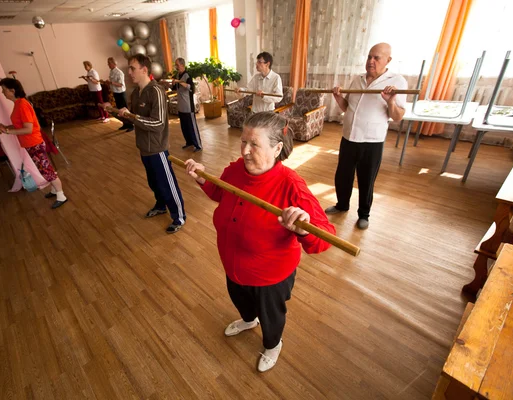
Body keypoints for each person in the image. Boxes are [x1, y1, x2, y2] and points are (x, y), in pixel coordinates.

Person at [184, 112, 335, 372]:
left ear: (277, 148)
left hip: (269, 278)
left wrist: (303, 227)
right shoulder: (234, 170)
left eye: (254, 144)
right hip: (233, 265)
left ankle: (273, 343)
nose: (245, 151)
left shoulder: (291, 186)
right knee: (241, 301)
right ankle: (248, 320)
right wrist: (202, 179)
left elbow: (324, 238)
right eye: (243, 141)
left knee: (271, 317)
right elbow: (221, 193)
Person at [325, 43, 407, 230]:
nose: (371, 61)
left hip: (371, 140)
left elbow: (397, 116)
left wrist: (391, 100)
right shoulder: (358, 79)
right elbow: (348, 108)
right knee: (343, 176)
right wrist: (338, 99)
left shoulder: (397, 82)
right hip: (349, 137)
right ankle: (342, 205)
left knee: (366, 179)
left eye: (376, 58)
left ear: (388, 60)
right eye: (369, 57)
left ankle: (364, 214)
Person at [114, 54, 186, 234]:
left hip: (157, 148)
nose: (129, 72)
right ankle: (161, 205)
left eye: (132, 68)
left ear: (144, 70)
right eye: (129, 68)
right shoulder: (136, 93)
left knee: (167, 183)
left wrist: (133, 116)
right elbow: (133, 121)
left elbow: (158, 123)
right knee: (154, 182)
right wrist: (120, 114)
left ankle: (179, 216)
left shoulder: (156, 91)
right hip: (143, 148)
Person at [0, 78, 68, 209]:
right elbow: (20, 125)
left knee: (46, 170)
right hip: (31, 144)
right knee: (44, 169)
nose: (2, 92)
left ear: (12, 90)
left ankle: (61, 195)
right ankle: (54, 190)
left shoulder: (22, 105)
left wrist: (7, 131)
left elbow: (28, 129)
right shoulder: (18, 104)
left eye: (4, 90)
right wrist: (7, 127)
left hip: (34, 143)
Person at [171, 57, 202, 152]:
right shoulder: (177, 75)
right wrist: (172, 83)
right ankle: (189, 142)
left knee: (192, 127)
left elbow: (190, 87)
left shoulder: (187, 75)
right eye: (175, 65)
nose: (176, 67)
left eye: (177, 65)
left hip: (188, 106)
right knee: (184, 127)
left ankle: (198, 145)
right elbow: (174, 89)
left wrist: (179, 81)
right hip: (181, 106)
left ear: (182, 65)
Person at [105, 57, 133, 132]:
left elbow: (120, 84)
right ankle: (125, 124)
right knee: (120, 110)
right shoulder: (111, 71)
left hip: (121, 93)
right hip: (115, 92)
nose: (108, 65)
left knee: (125, 110)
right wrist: (108, 83)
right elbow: (112, 82)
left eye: (109, 63)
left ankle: (131, 125)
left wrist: (111, 83)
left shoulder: (119, 72)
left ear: (113, 63)